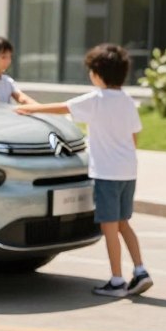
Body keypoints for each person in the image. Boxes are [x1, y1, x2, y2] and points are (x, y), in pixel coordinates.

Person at [16, 43, 152, 298]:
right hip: (127, 172)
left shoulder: (96, 100)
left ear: (98, 74)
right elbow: (134, 139)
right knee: (124, 224)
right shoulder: (128, 101)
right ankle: (141, 270)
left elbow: (62, 107)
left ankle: (116, 280)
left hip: (106, 175)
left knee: (109, 228)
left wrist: (26, 108)